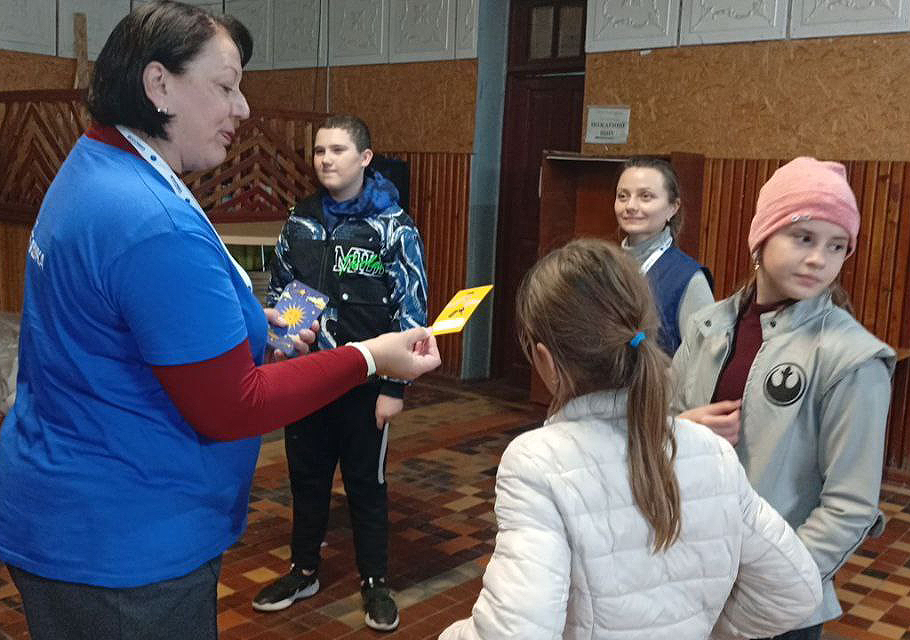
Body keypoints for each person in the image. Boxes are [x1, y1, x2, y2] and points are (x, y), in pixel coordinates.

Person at [0, 4, 439, 640]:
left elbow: (140, 315)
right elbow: (234, 406)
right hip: (127, 542)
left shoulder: (100, 163)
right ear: (159, 84)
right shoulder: (151, 219)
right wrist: (370, 357)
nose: (244, 108)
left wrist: (250, 323)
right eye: (226, 86)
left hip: (72, 504)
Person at [439, 237, 822, 640]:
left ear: (544, 360)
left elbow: (514, 633)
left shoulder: (537, 462)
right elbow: (796, 589)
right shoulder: (710, 450)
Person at [671, 157, 895, 640]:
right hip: (690, 578)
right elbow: (658, 428)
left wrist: (770, 592)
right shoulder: (707, 326)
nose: (819, 259)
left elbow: (850, 507)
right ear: (762, 236)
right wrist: (681, 427)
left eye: (837, 246)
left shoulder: (853, 359)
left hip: (776, 606)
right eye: (803, 237)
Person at [251, 115, 427, 632]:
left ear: (365, 158)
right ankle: (303, 570)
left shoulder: (393, 225)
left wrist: (395, 388)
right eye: (319, 151)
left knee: (366, 485)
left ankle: (375, 581)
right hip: (307, 379)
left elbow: (412, 310)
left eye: (338, 150)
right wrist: (284, 348)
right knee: (306, 479)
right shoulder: (300, 220)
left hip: (366, 383)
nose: (326, 159)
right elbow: (283, 290)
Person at [614, 156, 714, 354]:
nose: (630, 206)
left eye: (645, 196)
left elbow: (704, 360)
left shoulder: (689, 278)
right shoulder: (601, 267)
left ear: (673, 207)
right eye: (623, 196)